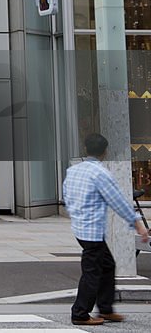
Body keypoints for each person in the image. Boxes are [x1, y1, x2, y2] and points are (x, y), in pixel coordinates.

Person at [63, 133, 149, 326]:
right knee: (92, 271)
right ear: (104, 152)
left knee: (107, 265)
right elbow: (118, 201)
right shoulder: (100, 173)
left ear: (86, 149)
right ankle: (80, 313)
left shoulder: (73, 171)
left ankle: (106, 308)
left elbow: (66, 195)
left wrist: (75, 212)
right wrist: (137, 224)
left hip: (79, 228)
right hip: (92, 231)